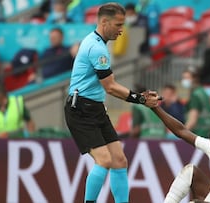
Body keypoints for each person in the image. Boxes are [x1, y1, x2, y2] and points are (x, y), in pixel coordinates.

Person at [63, 3, 160, 203]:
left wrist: (139, 97)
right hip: (80, 109)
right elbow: (110, 87)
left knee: (119, 161)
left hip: (95, 108)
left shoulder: (96, 42)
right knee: (105, 160)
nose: (121, 29)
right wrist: (140, 99)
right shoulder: (96, 48)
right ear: (104, 22)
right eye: (118, 24)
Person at [182, 68, 210, 138]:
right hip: (208, 131)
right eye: (183, 78)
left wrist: (181, 133)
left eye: (187, 78)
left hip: (199, 134)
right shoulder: (203, 92)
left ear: (194, 79)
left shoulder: (195, 95)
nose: (184, 80)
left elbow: (192, 120)